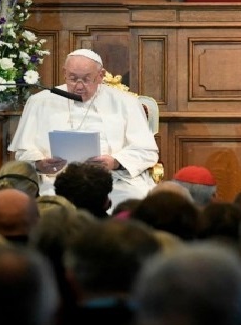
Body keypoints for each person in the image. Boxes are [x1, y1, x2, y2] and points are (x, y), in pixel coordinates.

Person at [8, 49, 159, 210]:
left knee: (131, 202)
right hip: (56, 180)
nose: (79, 86)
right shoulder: (40, 101)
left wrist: (115, 162)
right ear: (64, 73)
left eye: (87, 79)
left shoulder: (126, 102)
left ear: (100, 76)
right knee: (50, 205)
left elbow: (146, 151)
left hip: (114, 180)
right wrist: (40, 164)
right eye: (73, 79)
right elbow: (22, 152)